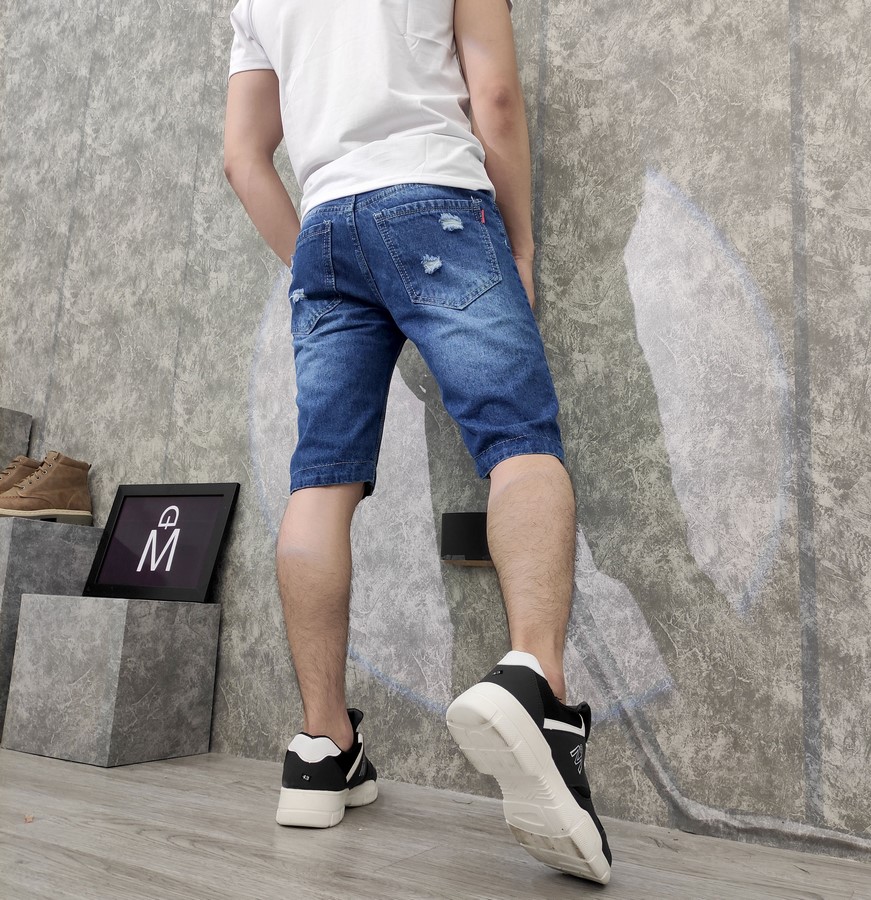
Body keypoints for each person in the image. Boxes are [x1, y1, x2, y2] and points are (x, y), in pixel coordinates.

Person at [224, 0, 611, 884]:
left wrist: (317, 266)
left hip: (325, 225)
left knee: (321, 481)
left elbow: (243, 159)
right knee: (518, 439)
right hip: (436, 199)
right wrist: (519, 242)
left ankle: (322, 748)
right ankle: (538, 689)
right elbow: (496, 98)